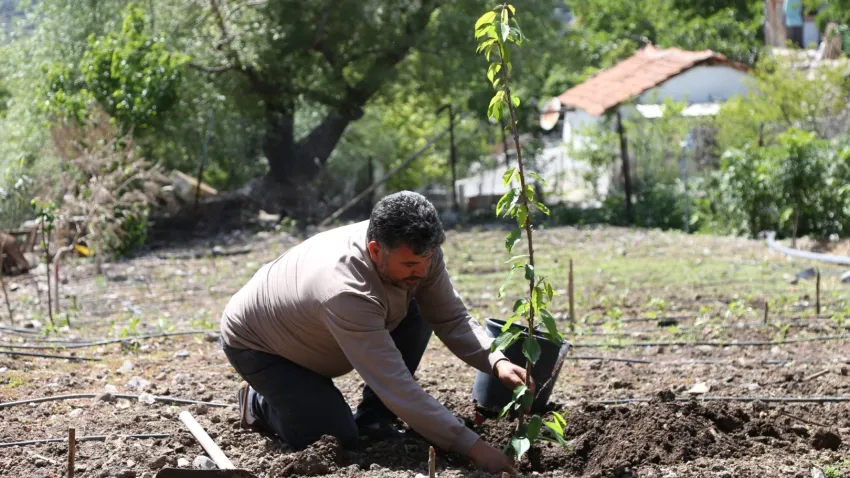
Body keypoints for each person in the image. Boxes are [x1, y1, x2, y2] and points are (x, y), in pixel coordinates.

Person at [220, 191, 531, 474]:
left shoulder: (418, 250)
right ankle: (258, 403)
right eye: (410, 263)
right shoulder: (346, 291)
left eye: (427, 260)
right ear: (375, 250)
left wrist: (497, 361)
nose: (422, 271)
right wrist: (474, 448)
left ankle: (374, 419)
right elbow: (395, 384)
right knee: (334, 436)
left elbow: (450, 316)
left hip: (317, 331)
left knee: (417, 303)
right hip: (262, 347)